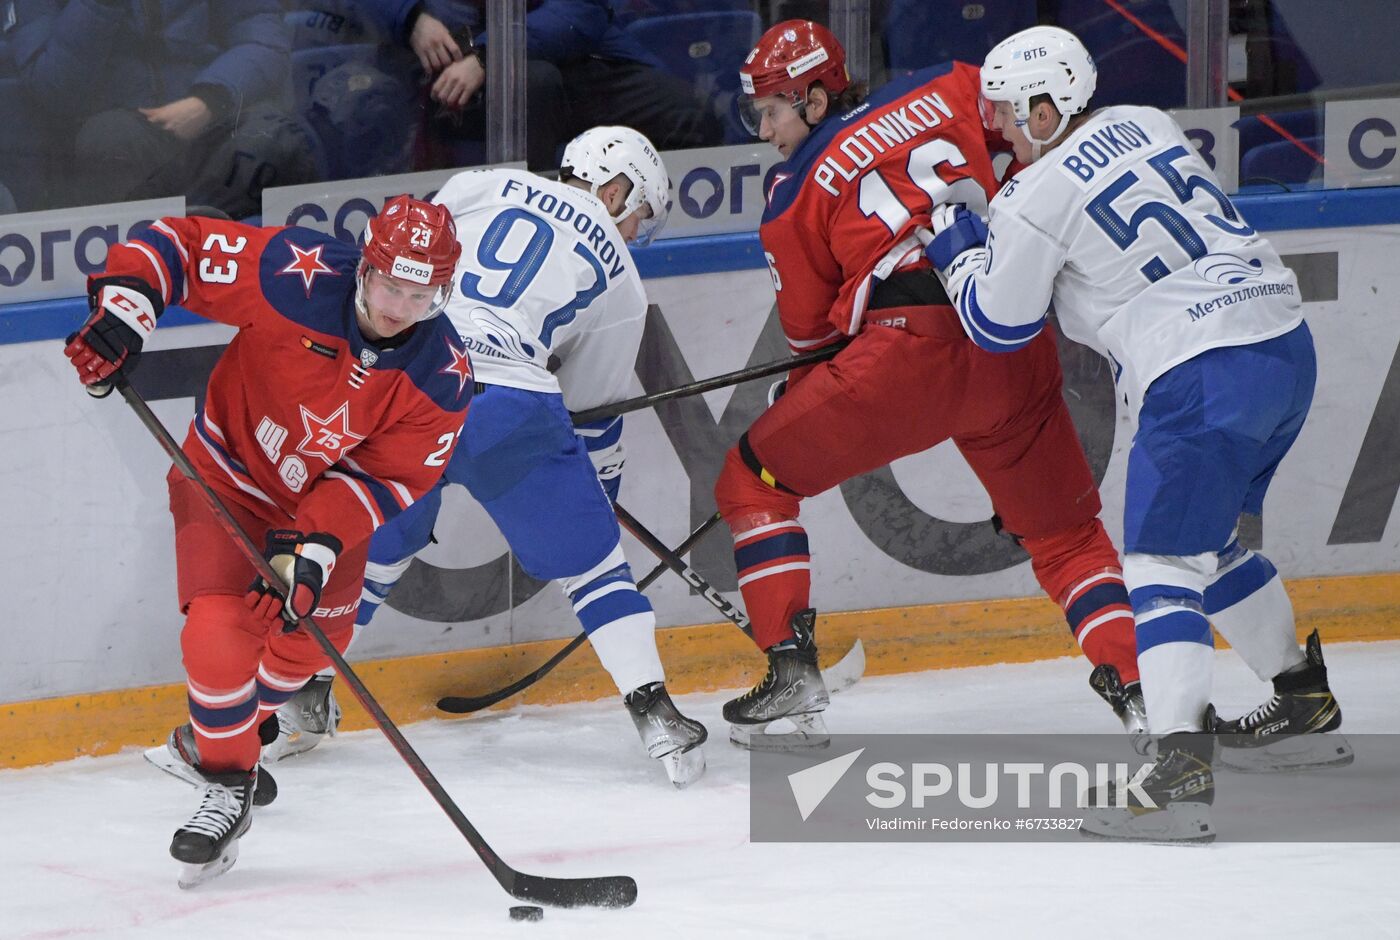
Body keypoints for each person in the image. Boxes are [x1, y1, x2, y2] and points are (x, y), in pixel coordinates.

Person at [926, 26, 1345, 842]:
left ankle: (1179, 773)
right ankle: (1299, 698)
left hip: (1197, 370)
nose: (1003, 130)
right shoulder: (1148, 120)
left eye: (1012, 114)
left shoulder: (1030, 197)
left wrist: (955, 249)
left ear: (1049, 109)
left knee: (1159, 563)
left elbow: (998, 324)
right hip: (1283, 344)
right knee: (1214, 539)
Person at [716, 21, 1143, 750]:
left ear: (817, 99)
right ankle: (1144, 702)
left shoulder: (790, 198)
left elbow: (814, 346)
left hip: (904, 356)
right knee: (1069, 539)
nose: (764, 129)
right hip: (1008, 336)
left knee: (751, 482)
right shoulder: (951, 84)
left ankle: (791, 675)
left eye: (774, 109)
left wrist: (804, 403)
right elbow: (1032, 146)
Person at [272, 126, 710, 787]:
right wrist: (598, 504)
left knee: (379, 542)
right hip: (511, 400)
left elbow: (412, 268)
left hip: (408, 382)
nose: (635, 232)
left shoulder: (479, 183)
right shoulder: (623, 283)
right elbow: (593, 413)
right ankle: (658, 718)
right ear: (616, 187)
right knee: (594, 568)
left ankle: (300, 691)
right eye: (640, 213)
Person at [63, 196, 474, 885]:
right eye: (387, 286)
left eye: (419, 294)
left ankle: (220, 733)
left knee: (314, 640)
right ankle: (228, 784)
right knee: (219, 635)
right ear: (364, 269)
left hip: (320, 510)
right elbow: (176, 244)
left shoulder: (442, 376)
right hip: (226, 476)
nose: (399, 307)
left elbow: (387, 479)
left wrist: (310, 549)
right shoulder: (295, 275)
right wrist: (129, 311)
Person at [12, 0, 317, 217]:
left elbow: (264, 40)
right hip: (116, 133)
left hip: (216, 116)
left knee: (278, 142)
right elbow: (52, 87)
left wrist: (209, 101)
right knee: (109, 141)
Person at [338, 0, 724, 170]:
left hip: (575, 63)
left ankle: (655, 230)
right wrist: (411, 17)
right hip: (454, 80)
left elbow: (580, 13)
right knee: (533, 86)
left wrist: (490, 54)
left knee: (686, 114)